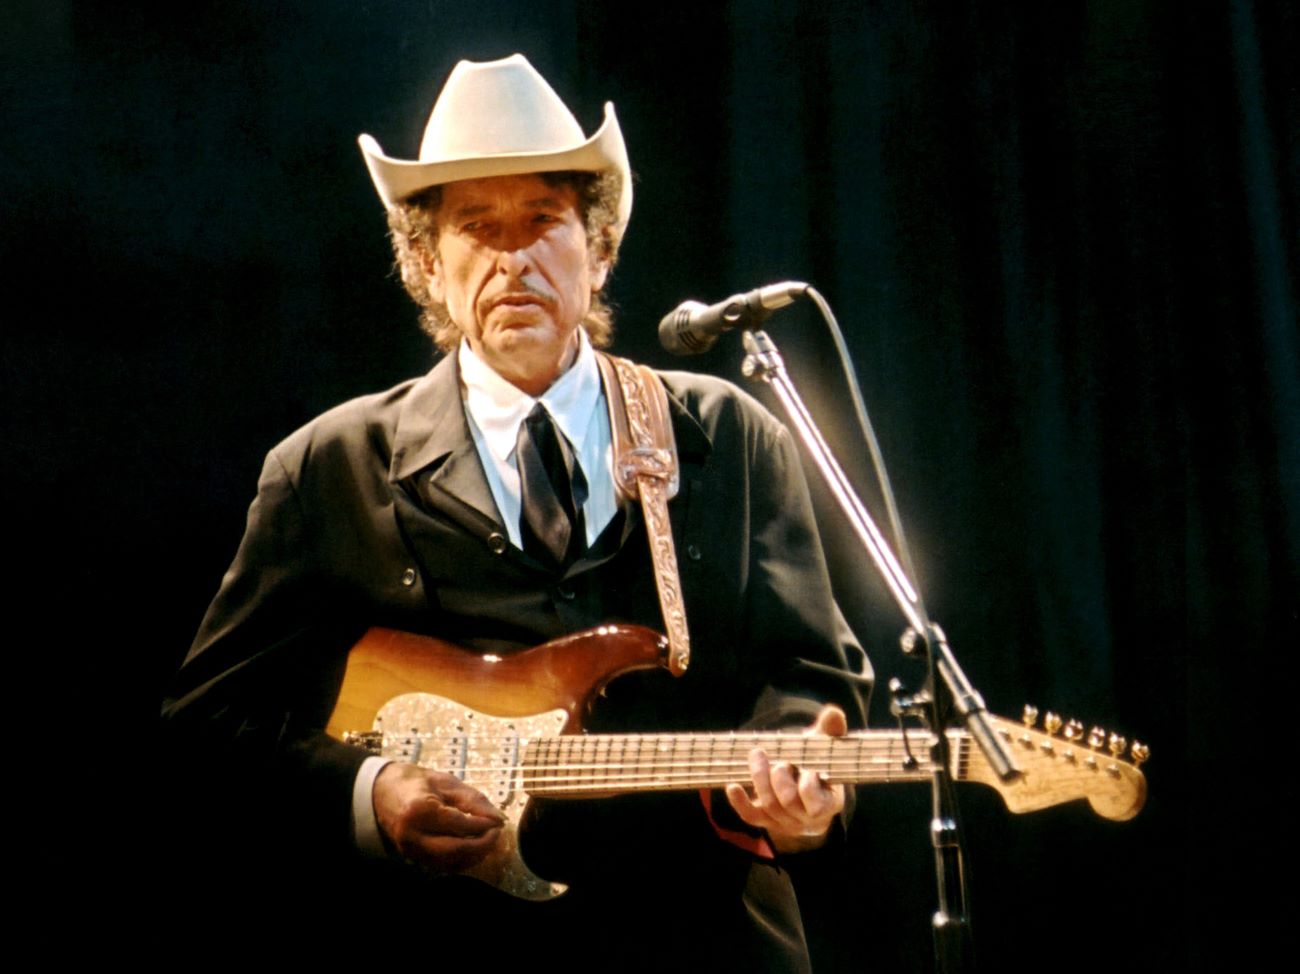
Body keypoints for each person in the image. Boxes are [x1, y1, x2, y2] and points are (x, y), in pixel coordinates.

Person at [163, 54, 870, 971]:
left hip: (706, 935)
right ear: (427, 261)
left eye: (545, 221)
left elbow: (812, 680)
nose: (513, 259)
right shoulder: (328, 469)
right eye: (476, 228)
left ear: (601, 246)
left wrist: (801, 788)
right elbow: (206, 734)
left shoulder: (726, 436)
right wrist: (369, 794)